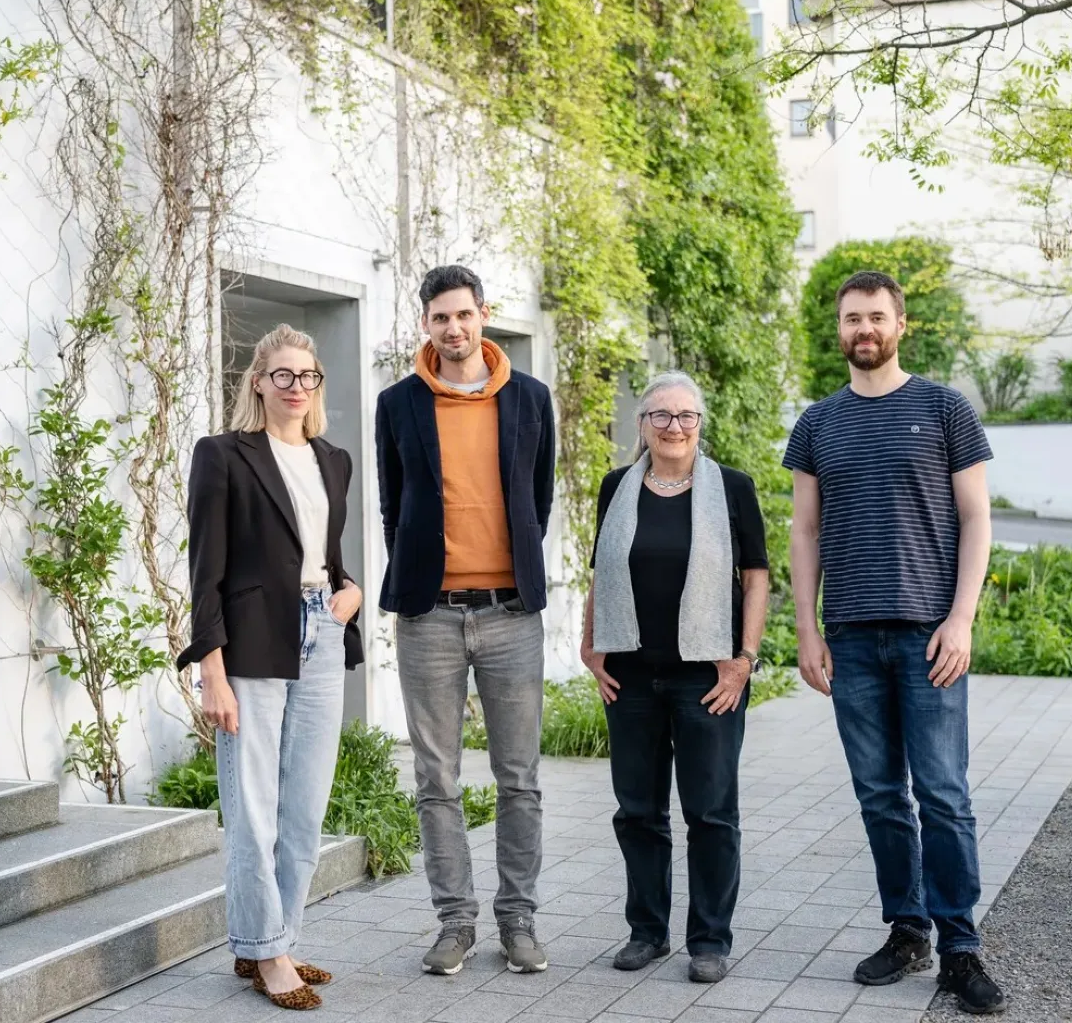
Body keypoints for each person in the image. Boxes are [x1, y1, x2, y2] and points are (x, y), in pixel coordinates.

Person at [785, 271, 1006, 1014]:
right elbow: (805, 530)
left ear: (901, 324)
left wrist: (962, 618)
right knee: (881, 797)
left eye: (876, 317)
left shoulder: (945, 408)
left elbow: (977, 519)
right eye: (852, 319)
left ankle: (961, 948)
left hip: (928, 634)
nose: (864, 329)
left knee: (943, 796)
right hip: (849, 636)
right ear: (840, 329)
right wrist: (808, 629)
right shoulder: (817, 423)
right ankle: (907, 929)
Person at [374, 265, 556, 977]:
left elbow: (536, 501)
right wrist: (428, 575)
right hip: (429, 618)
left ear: (484, 315)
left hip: (511, 613)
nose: (454, 328)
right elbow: (396, 506)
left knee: (520, 779)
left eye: (464, 315)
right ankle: (455, 923)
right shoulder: (399, 404)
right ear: (426, 323)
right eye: (440, 317)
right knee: (436, 780)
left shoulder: (531, 399)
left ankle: (518, 922)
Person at [179, 324, 364, 1012]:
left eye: (307, 376)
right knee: (253, 808)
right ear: (257, 381)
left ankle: (269, 940)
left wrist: (351, 595)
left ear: (317, 385)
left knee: (305, 807)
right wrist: (212, 670)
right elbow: (206, 573)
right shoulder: (223, 455)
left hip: (322, 631)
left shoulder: (333, 459)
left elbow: (321, 552)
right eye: (281, 374)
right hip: (251, 642)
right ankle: (269, 953)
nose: (295, 386)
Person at [581, 371, 770, 985]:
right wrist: (589, 644)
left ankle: (710, 940)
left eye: (686, 416)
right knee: (637, 811)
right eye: (661, 416)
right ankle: (647, 932)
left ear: (700, 424)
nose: (674, 427)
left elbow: (756, 578)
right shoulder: (617, 487)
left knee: (711, 813)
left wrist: (744, 657)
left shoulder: (733, 488)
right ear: (642, 425)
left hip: (707, 679)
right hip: (631, 676)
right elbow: (600, 571)